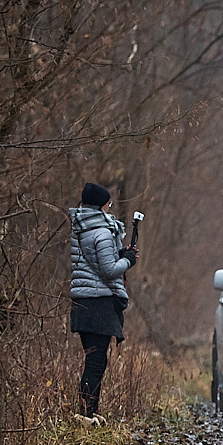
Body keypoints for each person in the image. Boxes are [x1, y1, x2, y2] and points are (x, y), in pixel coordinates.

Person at [69, 182, 138, 426]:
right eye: (109, 203)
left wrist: (119, 254)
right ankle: (84, 414)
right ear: (101, 205)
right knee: (97, 361)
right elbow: (109, 271)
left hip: (82, 303)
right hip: (99, 304)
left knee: (94, 359)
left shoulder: (82, 228)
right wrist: (128, 259)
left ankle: (89, 411)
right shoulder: (102, 231)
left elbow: (96, 263)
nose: (110, 208)